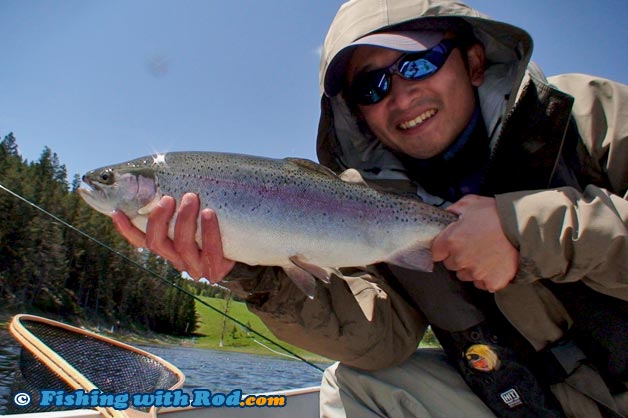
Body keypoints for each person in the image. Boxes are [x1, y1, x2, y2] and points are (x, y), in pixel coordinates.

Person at [113, 0, 628, 417]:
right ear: (354, 111)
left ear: (473, 62)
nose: (400, 95)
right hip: (536, 404)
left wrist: (524, 235)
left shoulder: (588, 113)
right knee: (353, 386)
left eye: (417, 62)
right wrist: (254, 271)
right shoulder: (370, 205)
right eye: (371, 85)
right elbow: (379, 341)